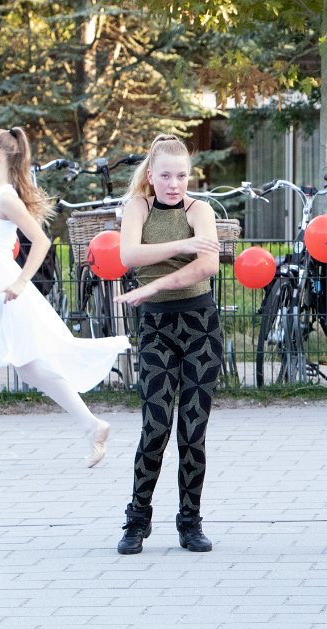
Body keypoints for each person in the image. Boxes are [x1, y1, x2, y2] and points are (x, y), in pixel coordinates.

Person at [0, 127, 127, 466]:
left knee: (31, 365)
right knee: (30, 367)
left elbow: (40, 241)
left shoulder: (5, 198)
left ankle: (92, 425)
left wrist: (22, 282)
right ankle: (93, 425)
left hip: (5, 293)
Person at [113, 133, 223, 555]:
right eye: (165, 176)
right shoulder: (138, 207)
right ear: (151, 175)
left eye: (181, 175)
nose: (174, 184)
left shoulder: (202, 211)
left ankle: (190, 521)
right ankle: (137, 520)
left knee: (192, 432)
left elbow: (207, 266)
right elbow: (129, 255)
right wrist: (183, 245)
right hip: (157, 328)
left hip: (200, 328)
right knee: (155, 427)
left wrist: (154, 284)